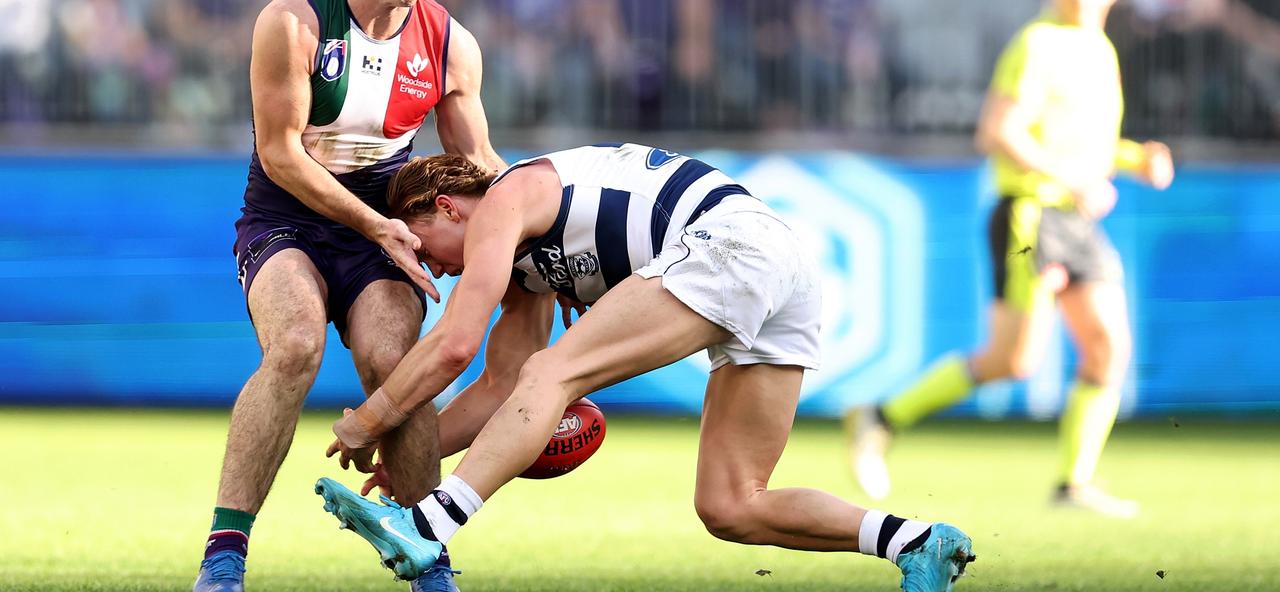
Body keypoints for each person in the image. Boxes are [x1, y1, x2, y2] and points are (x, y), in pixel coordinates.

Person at [313, 144, 976, 592]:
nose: (428, 265)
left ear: (449, 207)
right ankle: (914, 543)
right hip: (779, 265)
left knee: (554, 372)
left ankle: (429, 527)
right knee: (730, 504)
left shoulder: (508, 200)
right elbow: (495, 389)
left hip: (732, 244)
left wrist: (369, 419)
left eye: (419, 242)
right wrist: (406, 454)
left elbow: (457, 343)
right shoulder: (525, 265)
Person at [193, 0, 506, 591]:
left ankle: (430, 557)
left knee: (395, 360)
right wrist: (377, 224)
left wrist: (546, 243)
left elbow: (481, 168)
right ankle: (223, 557)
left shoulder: (453, 46)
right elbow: (280, 153)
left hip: (382, 225)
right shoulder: (294, 20)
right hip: (286, 216)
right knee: (296, 343)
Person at [847, 0, 1175, 516]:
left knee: (1108, 346)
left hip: (1073, 216)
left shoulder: (1100, 51)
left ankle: (1073, 485)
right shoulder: (1037, 43)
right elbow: (998, 131)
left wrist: (1134, 158)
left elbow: (1084, 143)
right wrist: (1073, 178)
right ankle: (881, 417)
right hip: (1031, 215)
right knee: (1014, 361)